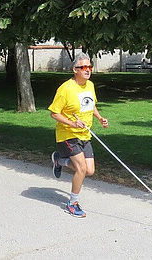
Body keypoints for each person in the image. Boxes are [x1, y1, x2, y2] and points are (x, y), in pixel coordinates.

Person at [48, 52, 109, 218]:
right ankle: (72, 203)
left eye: (89, 67)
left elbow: (91, 105)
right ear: (75, 69)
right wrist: (72, 123)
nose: (88, 70)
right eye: (84, 67)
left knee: (89, 170)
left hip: (84, 135)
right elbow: (54, 113)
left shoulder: (90, 85)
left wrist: (100, 118)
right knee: (81, 169)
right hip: (68, 135)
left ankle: (59, 160)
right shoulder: (66, 89)